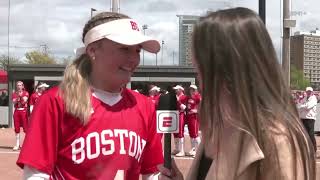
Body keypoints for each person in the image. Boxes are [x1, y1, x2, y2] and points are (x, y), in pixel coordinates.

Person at [159, 7, 315, 180]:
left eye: (200, 70)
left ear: (226, 68)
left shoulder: (277, 141)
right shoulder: (219, 128)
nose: (200, 81)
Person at [17, 12, 164, 180]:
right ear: (93, 50)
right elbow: (35, 176)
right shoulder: (56, 101)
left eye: (137, 51)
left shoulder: (144, 106)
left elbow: (150, 173)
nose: (134, 59)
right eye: (125, 48)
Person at [298, 86, 318, 152]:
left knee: (311, 134)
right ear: (306, 92)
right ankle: (306, 149)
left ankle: (314, 149)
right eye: (307, 91)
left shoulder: (314, 98)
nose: (308, 92)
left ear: (312, 92)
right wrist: (303, 107)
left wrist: (302, 107)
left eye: (310, 91)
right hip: (303, 118)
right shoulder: (304, 98)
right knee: (304, 134)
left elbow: (308, 106)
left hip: (310, 119)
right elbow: (299, 106)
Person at [11, 81, 29, 151]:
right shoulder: (14, 93)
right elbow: (14, 101)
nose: (19, 87)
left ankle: (27, 144)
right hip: (17, 111)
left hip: (23, 111)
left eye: (20, 85)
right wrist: (18, 98)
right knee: (16, 127)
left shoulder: (26, 92)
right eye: (18, 85)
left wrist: (19, 97)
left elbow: (24, 100)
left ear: (22, 86)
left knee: (25, 128)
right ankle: (17, 144)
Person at [185, 84, 201, 157]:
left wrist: (197, 110)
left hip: (195, 117)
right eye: (191, 89)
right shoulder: (189, 97)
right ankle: (193, 149)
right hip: (189, 117)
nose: (191, 90)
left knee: (195, 134)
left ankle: (200, 152)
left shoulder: (198, 96)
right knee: (191, 134)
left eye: (193, 89)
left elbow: (203, 105)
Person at [172, 85, 187, 157]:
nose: (175, 91)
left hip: (181, 114)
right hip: (175, 114)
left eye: (177, 89)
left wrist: (178, 101)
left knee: (180, 132)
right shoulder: (175, 96)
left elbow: (184, 107)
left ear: (180, 90)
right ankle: (177, 148)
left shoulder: (184, 97)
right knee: (175, 132)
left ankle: (182, 150)